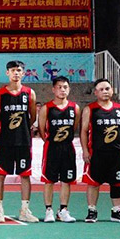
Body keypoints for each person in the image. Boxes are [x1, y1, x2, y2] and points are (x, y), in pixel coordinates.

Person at [0, 60, 39, 223]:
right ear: (7, 73)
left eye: (19, 70)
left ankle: (24, 210)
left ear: (23, 73)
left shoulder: (29, 93)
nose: (16, 73)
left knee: (25, 175)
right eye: (13, 70)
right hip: (5, 141)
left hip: (23, 140)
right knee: (1, 174)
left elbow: (32, 116)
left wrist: (23, 129)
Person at [81, 78, 120, 223]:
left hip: (115, 153)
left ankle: (117, 211)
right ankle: (92, 211)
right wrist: (85, 151)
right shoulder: (90, 109)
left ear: (112, 90)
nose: (105, 91)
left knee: (117, 182)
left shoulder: (119, 109)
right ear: (96, 93)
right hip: (96, 153)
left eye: (107, 88)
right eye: (101, 89)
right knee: (93, 182)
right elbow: (84, 131)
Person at [37, 76, 79, 223]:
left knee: (67, 180)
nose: (62, 90)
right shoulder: (46, 108)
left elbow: (74, 127)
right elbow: (41, 129)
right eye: (59, 87)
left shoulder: (75, 108)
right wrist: (50, 141)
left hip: (68, 148)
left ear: (69, 89)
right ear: (53, 89)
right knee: (49, 180)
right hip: (51, 148)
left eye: (65, 87)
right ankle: (48, 210)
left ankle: (63, 211)